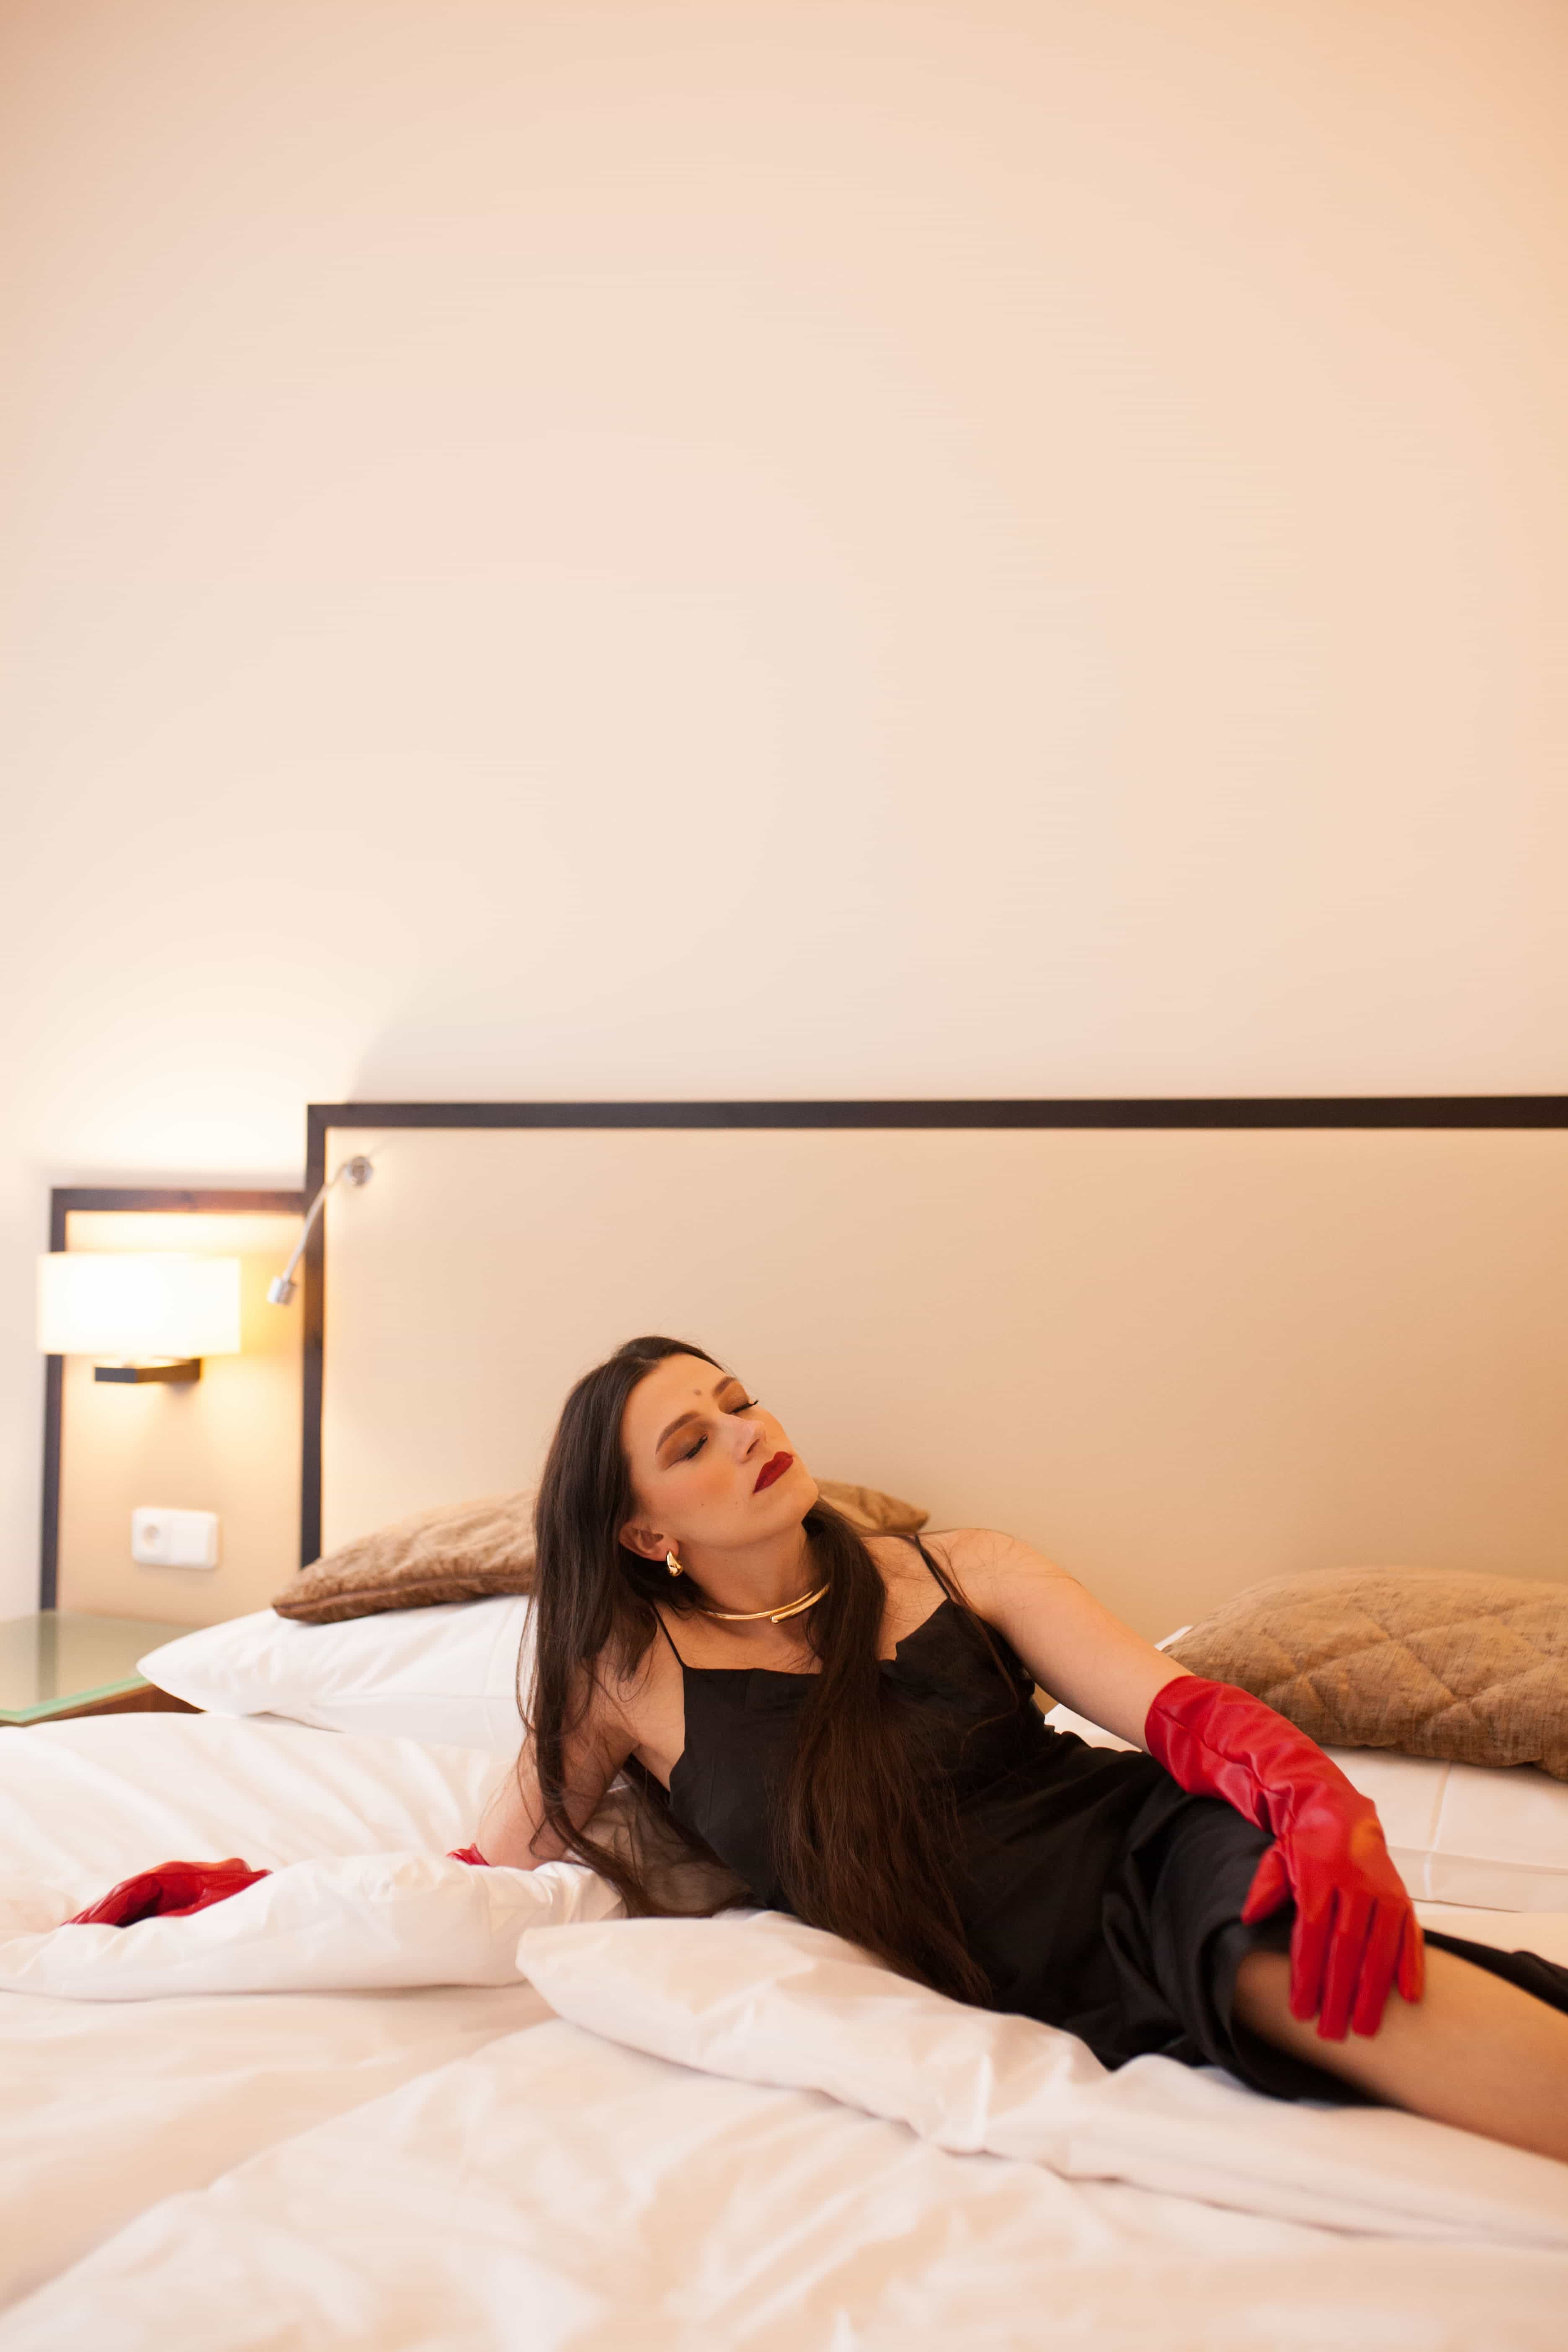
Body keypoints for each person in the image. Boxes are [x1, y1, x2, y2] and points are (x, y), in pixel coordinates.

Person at [478, 1336, 1568, 2164]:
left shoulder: (963, 1568)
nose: (747, 1433)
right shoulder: (625, 1680)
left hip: (1155, 1864)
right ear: (644, 1533)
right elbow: (500, 1858)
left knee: (1332, 1982)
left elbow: (1182, 1714)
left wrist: (1310, 1795)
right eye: (692, 1443)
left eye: (738, 1402)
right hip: (1016, 1969)